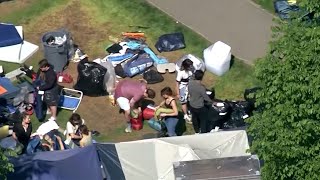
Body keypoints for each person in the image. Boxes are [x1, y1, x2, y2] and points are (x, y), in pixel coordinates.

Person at [176, 59, 193, 124]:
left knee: (189, 99)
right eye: (190, 66)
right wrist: (178, 93)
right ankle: (185, 115)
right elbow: (177, 83)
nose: (191, 67)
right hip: (182, 87)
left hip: (188, 86)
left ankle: (188, 110)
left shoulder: (190, 71)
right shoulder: (181, 73)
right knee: (183, 102)